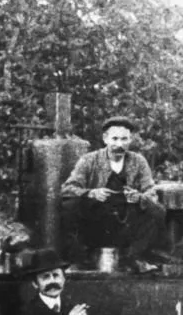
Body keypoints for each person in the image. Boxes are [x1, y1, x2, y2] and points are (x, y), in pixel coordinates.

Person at [59, 116, 168, 272]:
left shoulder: (138, 161)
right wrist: (91, 193)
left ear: (130, 140)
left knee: (156, 210)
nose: (119, 144)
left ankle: (134, 258)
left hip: (126, 220)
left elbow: (151, 192)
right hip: (96, 221)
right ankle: (79, 260)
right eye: (115, 138)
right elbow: (68, 188)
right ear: (105, 139)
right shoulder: (89, 160)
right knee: (69, 206)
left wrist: (139, 197)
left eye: (124, 139)